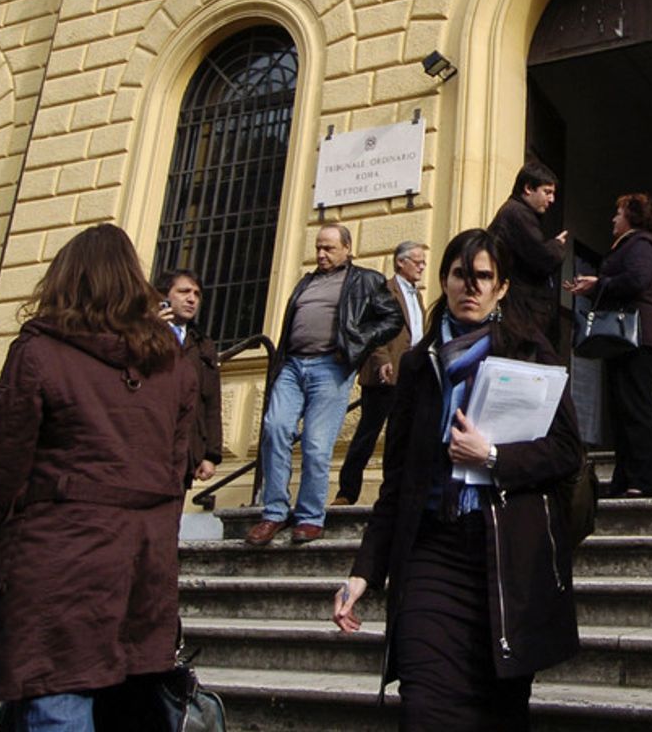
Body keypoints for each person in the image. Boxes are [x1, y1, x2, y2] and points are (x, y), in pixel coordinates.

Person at [333, 229, 582, 730]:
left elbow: (567, 452)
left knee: (500, 712)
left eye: (483, 277)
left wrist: (491, 455)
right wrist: (364, 570)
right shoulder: (418, 364)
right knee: (425, 707)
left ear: (503, 287)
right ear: (444, 282)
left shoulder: (530, 353)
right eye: (460, 275)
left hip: (508, 557)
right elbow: (396, 483)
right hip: (434, 554)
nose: (471, 287)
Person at [0, 223, 198, 726]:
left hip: (57, 561)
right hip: (140, 567)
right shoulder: (175, 367)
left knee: (52, 693)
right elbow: (175, 475)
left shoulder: (40, 353)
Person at [248, 223, 403, 546]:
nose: (321, 253)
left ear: (347, 249)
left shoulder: (365, 280)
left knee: (316, 445)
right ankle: (274, 512)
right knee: (275, 428)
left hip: (330, 367)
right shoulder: (305, 282)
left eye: (329, 248)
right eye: (318, 247)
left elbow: (392, 319)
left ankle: (309, 517)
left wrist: (359, 342)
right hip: (292, 365)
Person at [565, 193, 652, 497]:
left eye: (619, 213)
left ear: (633, 217)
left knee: (636, 407)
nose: (613, 219)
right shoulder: (634, 244)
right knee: (624, 408)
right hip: (628, 338)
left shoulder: (642, 244)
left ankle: (643, 480)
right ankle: (626, 479)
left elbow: (636, 280)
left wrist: (599, 283)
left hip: (639, 336)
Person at [334, 241, 429, 506]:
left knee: (399, 437)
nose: (423, 266)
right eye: (418, 261)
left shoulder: (416, 295)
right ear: (401, 262)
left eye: (423, 261)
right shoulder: (382, 290)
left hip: (409, 375)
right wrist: (381, 361)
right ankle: (347, 491)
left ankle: (392, 492)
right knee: (368, 433)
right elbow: (372, 332)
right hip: (384, 374)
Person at [156, 270, 223, 490]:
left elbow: (212, 402)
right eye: (184, 291)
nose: (192, 299)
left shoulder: (203, 345)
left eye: (197, 294)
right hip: (150, 445)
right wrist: (150, 332)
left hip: (186, 450)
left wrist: (211, 455)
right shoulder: (141, 336)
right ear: (164, 297)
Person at [489, 161, 568, 340]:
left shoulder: (515, 212)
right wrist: (557, 246)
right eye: (547, 192)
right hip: (519, 313)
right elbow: (542, 259)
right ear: (528, 188)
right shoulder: (517, 214)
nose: (552, 200)